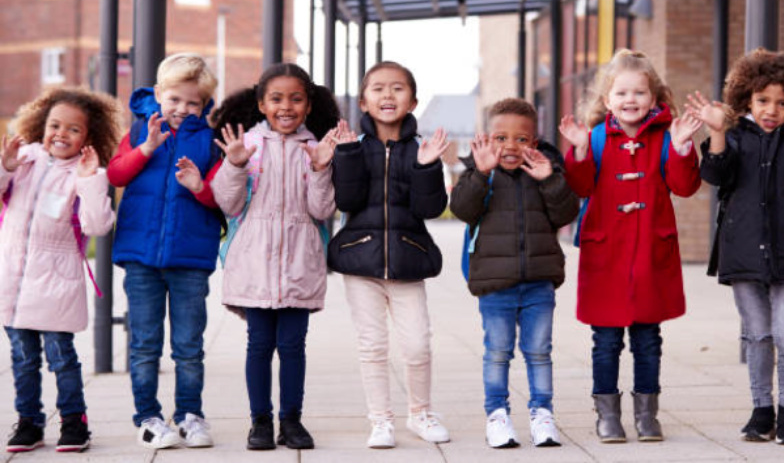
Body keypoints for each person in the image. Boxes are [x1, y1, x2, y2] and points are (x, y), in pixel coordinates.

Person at [686, 48, 784, 446]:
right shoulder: (734, 137)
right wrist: (717, 133)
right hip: (743, 252)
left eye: (783, 102)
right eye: (763, 100)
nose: (772, 110)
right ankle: (761, 411)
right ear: (746, 99)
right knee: (757, 336)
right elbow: (714, 174)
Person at [558, 49, 702, 443]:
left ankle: (647, 415)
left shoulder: (667, 136)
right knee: (605, 341)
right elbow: (582, 186)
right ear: (607, 100)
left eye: (639, 93)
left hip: (650, 255)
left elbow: (684, 187)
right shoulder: (597, 138)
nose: (630, 100)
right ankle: (607, 415)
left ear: (654, 99)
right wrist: (581, 151)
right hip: (606, 255)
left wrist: (684, 148)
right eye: (621, 93)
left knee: (647, 339)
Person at [209, 63, 341, 451]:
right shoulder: (246, 144)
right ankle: (260, 422)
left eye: (296, 98)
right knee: (259, 345)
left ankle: (292, 421)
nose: (287, 106)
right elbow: (229, 204)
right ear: (262, 104)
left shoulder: (315, 147)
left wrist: (320, 167)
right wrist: (233, 165)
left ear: (308, 103)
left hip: (300, 262)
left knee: (293, 347)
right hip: (254, 264)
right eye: (277, 98)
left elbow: (322, 210)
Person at [328, 61, 450, 449]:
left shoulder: (421, 149)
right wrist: (345, 157)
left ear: (412, 101)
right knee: (372, 346)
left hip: (408, 260)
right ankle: (380, 420)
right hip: (360, 261)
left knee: (417, 344)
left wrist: (428, 167)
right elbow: (345, 201)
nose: (387, 95)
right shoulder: (353, 147)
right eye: (378, 89)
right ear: (363, 102)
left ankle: (420, 413)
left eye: (397, 88)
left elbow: (429, 209)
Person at [107, 52, 221, 449]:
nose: (182, 109)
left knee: (189, 346)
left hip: (190, 260)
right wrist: (146, 148)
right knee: (144, 344)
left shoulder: (210, 140)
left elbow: (222, 199)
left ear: (204, 105)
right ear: (158, 95)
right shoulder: (140, 130)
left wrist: (199, 187)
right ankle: (149, 417)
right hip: (141, 258)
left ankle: (190, 414)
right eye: (174, 100)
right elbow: (116, 173)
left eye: (193, 103)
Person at [449, 98, 579, 448]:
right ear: (487, 139)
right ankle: (497, 416)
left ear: (533, 144)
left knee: (539, 351)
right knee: (498, 352)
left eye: (521, 139)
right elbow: (462, 209)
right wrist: (481, 172)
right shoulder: (478, 173)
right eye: (500, 137)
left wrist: (549, 179)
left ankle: (542, 414)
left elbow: (565, 213)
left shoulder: (545, 173)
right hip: (495, 284)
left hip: (539, 282)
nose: (510, 146)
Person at [1, 87, 122, 453]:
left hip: (56, 280)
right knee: (22, 359)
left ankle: (74, 421)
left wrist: (89, 180)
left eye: (73, 129)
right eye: (55, 125)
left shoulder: (85, 173)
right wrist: (4, 166)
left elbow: (98, 225)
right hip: (13, 276)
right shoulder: (24, 160)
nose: (61, 134)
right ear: (42, 125)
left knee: (61, 358)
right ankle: (29, 422)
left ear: (89, 136)